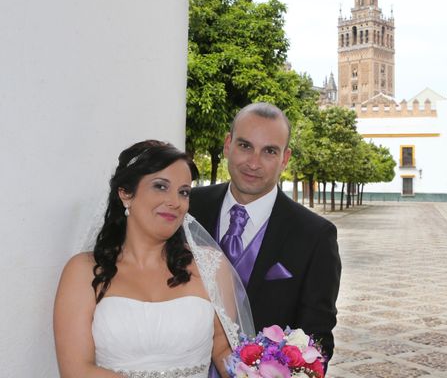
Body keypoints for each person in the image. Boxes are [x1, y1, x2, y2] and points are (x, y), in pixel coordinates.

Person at [53, 140, 252, 378]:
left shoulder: (211, 266)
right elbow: (75, 370)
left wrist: (258, 371)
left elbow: (223, 346)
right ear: (126, 194)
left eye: (184, 192)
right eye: (160, 186)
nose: (175, 202)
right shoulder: (83, 270)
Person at [189, 103, 342, 365]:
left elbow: (316, 341)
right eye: (245, 146)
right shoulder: (188, 209)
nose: (253, 162)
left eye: (269, 151)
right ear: (228, 145)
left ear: (285, 158)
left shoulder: (315, 235)